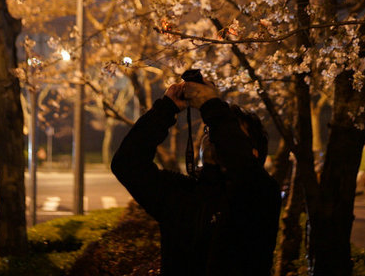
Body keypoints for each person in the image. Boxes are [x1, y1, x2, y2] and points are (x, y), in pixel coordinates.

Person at [111, 76, 282, 276]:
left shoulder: (261, 193)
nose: (214, 135)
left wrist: (212, 106)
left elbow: (242, 167)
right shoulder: (181, 194)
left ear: (253, 153)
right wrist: (166, 108)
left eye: (227, 131)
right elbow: (127, 163)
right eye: (211, 130)